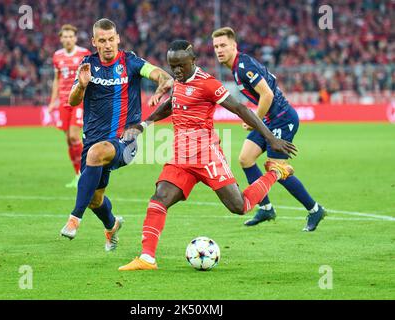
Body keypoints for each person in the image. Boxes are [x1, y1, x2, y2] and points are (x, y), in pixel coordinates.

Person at [118, 40, 297, 271]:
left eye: (181, 65)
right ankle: (147, 258)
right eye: (173, 66)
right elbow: (172, 104)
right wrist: (144, 124)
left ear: (193, 61)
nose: (177, 71)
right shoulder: (179, 81)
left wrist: (271, 138)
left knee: (239, 206)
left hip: (207, 155)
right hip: (181, 157)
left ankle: (276, 172)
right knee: (159, 199)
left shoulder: (208, 84)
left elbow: (241, 109)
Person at [59, 18, 174, 252]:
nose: (108, 44)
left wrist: (164, 82)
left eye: (111, 39)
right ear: (94, 42)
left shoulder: (130, 62)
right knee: (94, 199)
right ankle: (112, 226)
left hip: (125, 140)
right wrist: (81, 86)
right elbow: (72, 101)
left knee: (96, 153)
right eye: (102, 40)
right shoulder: (87, 64)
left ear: (118, 38)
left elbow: (157, 73)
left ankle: (74, 218)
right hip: (93, 139)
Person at [212, 27, 326, 231]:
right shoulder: (237, 67)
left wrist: (254, 118)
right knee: (246, 159)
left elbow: (267, 95)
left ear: (234, 46)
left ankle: (314, 209)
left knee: (277, 169)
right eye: (216, 46)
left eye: (223, 45)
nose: (219, 50)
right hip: (269, 120)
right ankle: (265, 208)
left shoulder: (243, 65)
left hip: (282, 119)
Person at [49, 24, 91, 188]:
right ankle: (77, 174)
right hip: (63, 101)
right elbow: (57, 80)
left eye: (70, 36)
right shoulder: (57, 56)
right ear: (60, 39)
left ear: (75, 38)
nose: (67, 39)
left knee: (74, 136)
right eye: (64, 37)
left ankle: (85, 172)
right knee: (68, 139)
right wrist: (53, 101)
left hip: (79, 99)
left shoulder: (84, 54)